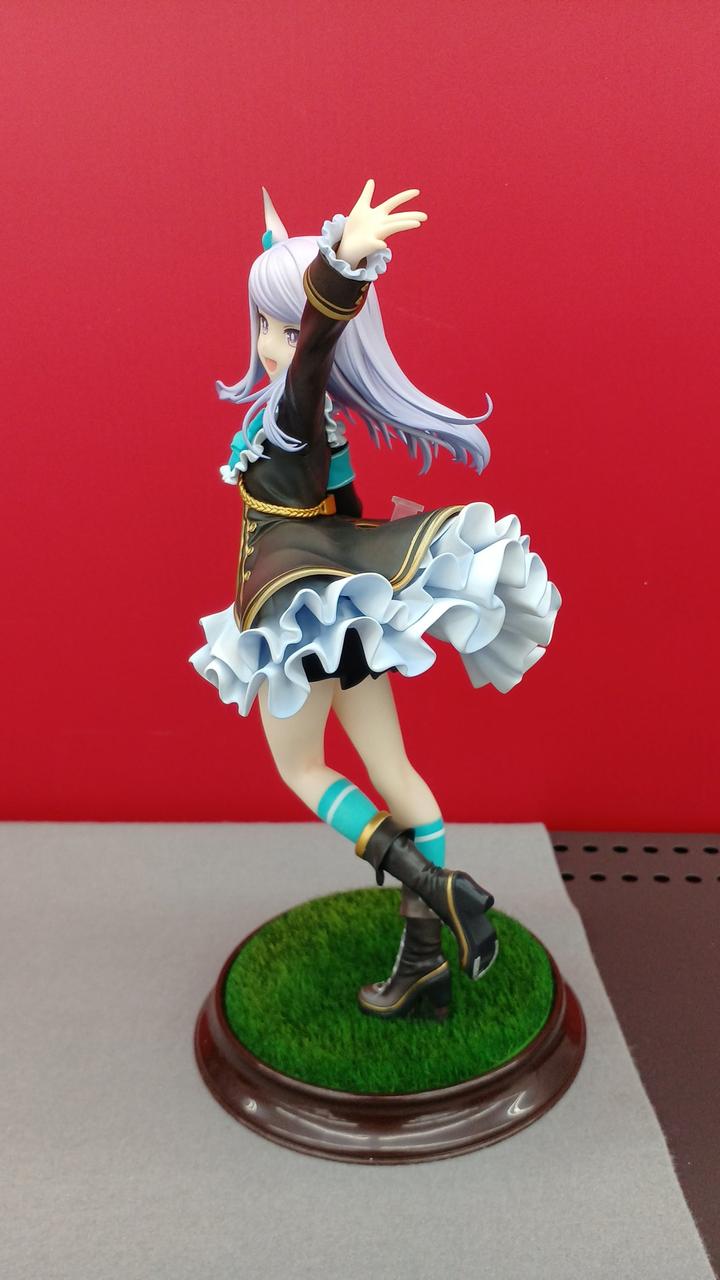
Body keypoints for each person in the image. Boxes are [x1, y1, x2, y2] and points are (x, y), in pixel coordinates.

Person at [190, 181, 562, 1020]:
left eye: (288, 329)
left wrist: (340, 270)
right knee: (396, 774)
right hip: (342, 615)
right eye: (266, 325)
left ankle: (434, 884)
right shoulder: (318, 430)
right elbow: (348, 510)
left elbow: (313, 355)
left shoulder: (297, 415)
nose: (274, 346)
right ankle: (425, 959)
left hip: (295, 618)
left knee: (300, 767)